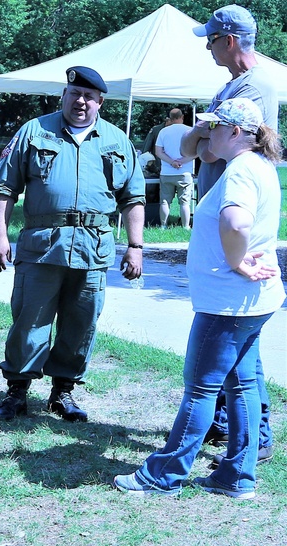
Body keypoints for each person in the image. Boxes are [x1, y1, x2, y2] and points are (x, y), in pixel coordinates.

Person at [114, 98, 284, 498]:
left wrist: (238, 261)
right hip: (249, 302)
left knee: (201, 389)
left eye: (216, 127)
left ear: (237, 133)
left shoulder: (242, 169)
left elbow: (236, 220)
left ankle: (164, 475)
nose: (208, 132)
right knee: (240, 387)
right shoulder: (259, 165)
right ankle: (236, 476)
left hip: (228, 303)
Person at [0, 66, 146, 423]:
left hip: (93, 249)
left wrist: (135, 246)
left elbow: (133, 197)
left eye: (89, 96)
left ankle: (63, 393)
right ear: (63, 95)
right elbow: (4, 189)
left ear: (100, 102)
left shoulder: (117, 141)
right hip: (42, 246)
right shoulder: (34, 131)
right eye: (75, 94)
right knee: (30, 321)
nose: (81, 101)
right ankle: (17, 391)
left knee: (81, 323)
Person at [180, 4, 278, 465]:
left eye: (212, 39)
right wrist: (200, 141)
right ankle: (238, 438)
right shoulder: (233, 87)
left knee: (234, 349)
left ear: (231, 40)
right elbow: (194, 148)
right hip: (224, 221)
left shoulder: (252, 90)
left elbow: (212, 150)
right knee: (239, 352)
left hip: (231, 230)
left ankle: (250, 438)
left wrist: (204, 139)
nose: (207, 47)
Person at [154, 108, 192, 228]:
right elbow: (196, 152)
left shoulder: (163, 132)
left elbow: (158, 152)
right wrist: (182, 161)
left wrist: (172, 162)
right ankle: (186, 227)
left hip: (166, 173)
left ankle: (163, 226)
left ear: (170, 119)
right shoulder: (190, 131)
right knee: (185, 203)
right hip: (184, 172)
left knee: (165, 201)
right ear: (182, 117)